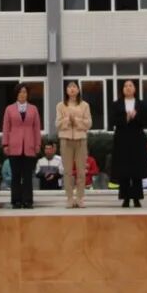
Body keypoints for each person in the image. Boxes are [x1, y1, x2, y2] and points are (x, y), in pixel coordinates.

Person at [110, 79, 147, 208]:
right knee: (124, 169)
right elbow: (112, 120)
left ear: (135, 88)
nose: (128, 88)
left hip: (137, 138)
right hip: (122, 139)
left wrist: (135, 117)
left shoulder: (141, 104)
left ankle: (137, 198)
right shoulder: (116, 104)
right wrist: (126, 118)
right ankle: (126, 198)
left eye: (130, 85)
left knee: (136, 169)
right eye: (125, 86)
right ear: (122, 89)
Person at [2, 83, 41, 209]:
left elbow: (36, 128)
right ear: (16, 94)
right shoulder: (9, 109)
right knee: (16, 175)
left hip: (29, 145)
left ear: (27, 94)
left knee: (28, 175)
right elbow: (6, 127)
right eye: (20, 92)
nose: (22, 94)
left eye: (24, 92)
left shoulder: (33, 109)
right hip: (14, 146)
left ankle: (28, 200)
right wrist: (5, 144)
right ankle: (16, 200)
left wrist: (37, 144)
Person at [56, 80, 93, 208]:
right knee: (67, 171)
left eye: (74, 87)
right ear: (66, 90)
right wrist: (68, 119)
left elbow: (88, 123)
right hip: (66, 140)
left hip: (80, 140)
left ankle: (80, 198)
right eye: (69, 87)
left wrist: (76, 121)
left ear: (78, 90)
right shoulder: (60, 105)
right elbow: (58, 124)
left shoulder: (85, 105)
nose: (72, 89)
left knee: (81, 171)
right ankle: (70, 198)